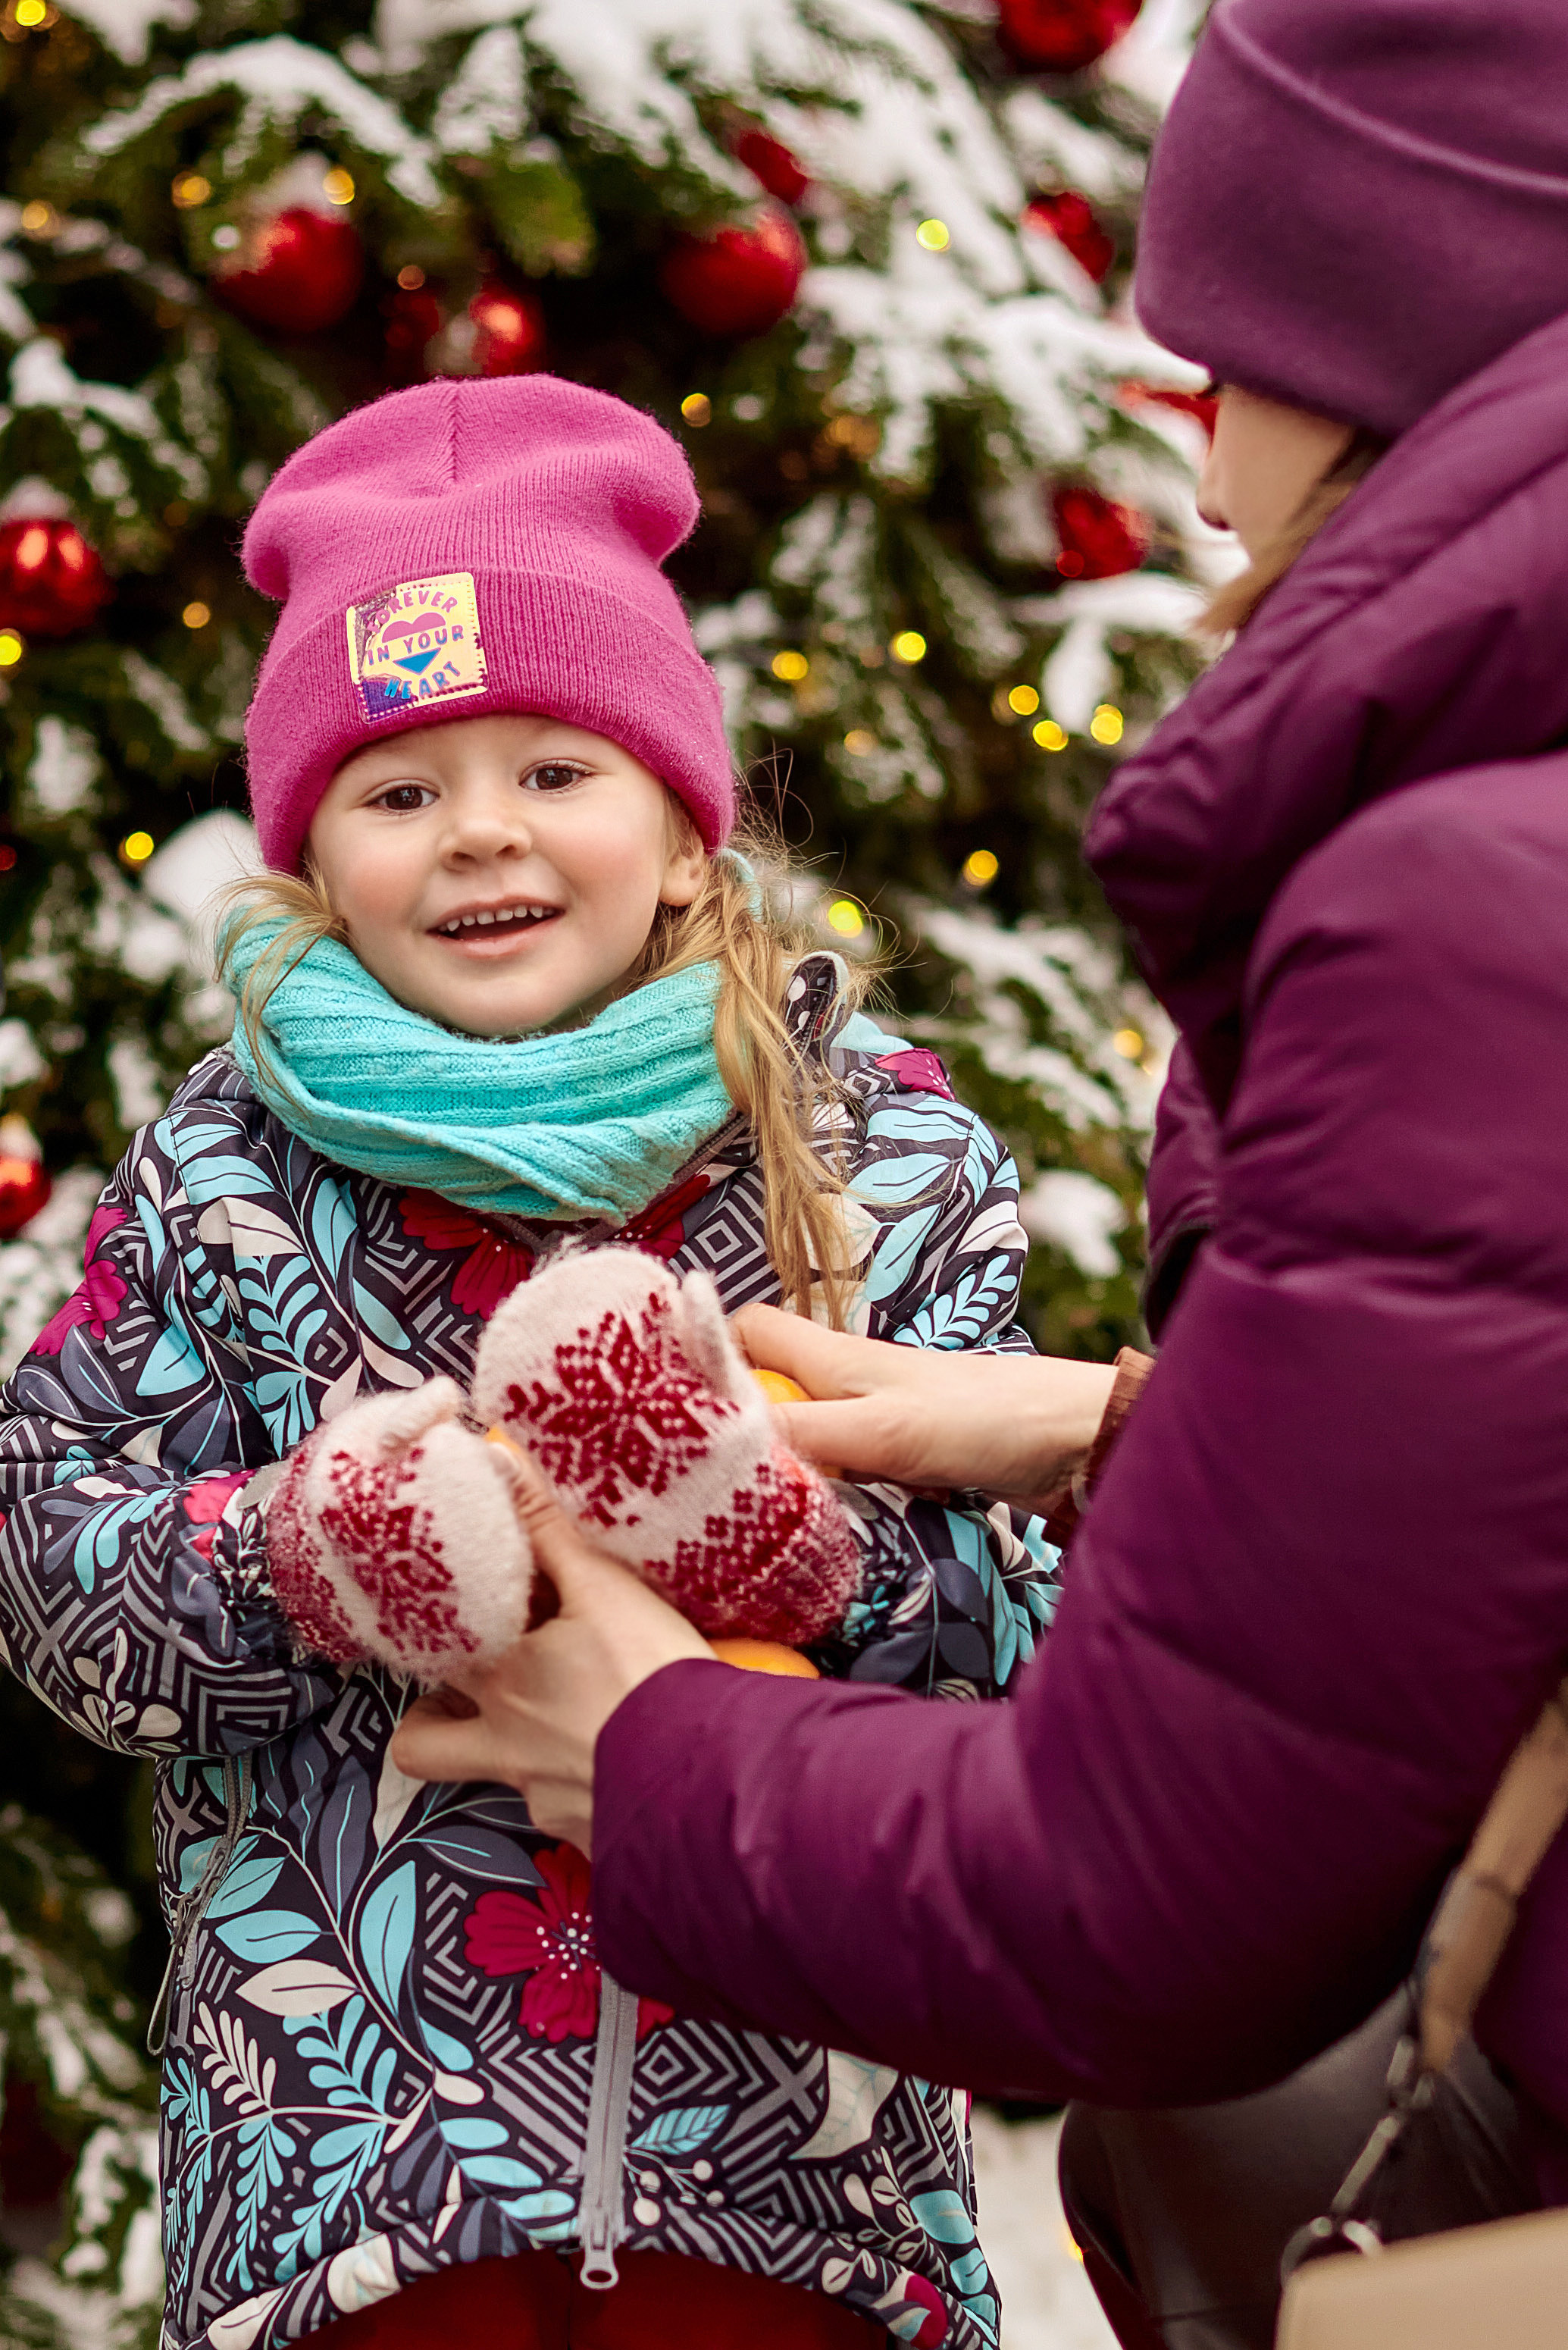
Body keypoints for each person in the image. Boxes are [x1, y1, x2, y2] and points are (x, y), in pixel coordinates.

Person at [392, 1, 1568, 2339]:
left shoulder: (1460, 905)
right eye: (407, 784)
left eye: (1226, 359)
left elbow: (1146, 1885)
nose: (1200, 438)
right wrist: (1111, 1424)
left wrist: (641, 1731)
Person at [0, 374, 1065, 2348]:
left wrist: (778, 1552)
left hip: (798, 2207)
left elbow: (1028, 1645)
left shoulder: (881, 1156)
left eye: (555, 768)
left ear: (679, 825)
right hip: (362, 2199)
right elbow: (63, 1588)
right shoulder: (222, 1173)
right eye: (402, 791)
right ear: (323, 859)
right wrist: (320, 1557)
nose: (480, 829)